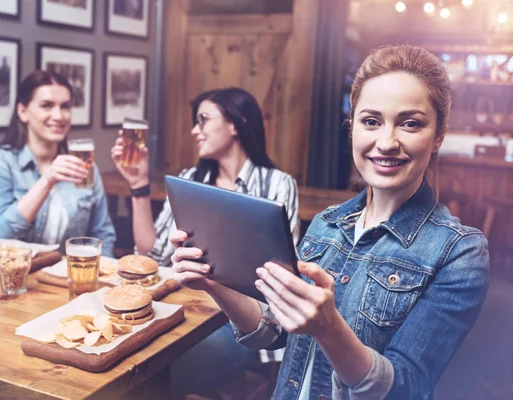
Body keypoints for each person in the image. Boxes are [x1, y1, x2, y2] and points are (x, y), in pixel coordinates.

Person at [170, 45, 490, 399]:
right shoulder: (327, 224)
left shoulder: (461, 253)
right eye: (371, 121)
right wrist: (213, 281)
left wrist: (329, 330)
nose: (386, 142)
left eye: (410, 123)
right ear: (352, 128)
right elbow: (272, 332)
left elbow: (406, 388)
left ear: (439, 135)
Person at [111, 87, 299, 396]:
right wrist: (138, 185)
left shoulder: (277, 184)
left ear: (235, 124)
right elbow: (150, 252)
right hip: (178, 310)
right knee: (129, 353)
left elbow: (280, 279)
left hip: (238, 321)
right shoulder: (190, 180)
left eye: (203, 120)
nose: (194, 130)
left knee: (157, 371)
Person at [0, 70, 116, 256]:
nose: (59, 116)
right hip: (20, 278)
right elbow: (2, 235)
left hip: (74, 277)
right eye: (47, 106)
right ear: (23, 112)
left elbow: (103, 235)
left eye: (65, 106)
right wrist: (47, 180)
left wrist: (100, 277)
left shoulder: (84, 165)